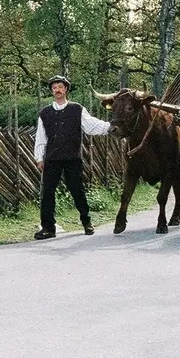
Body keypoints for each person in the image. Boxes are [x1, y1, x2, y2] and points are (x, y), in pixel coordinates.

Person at [32, 75, 111, 240]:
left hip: (72, 158)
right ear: (52, 91)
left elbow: (91, 125)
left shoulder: (77, 109)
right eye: (54, 88)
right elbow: (41, 137)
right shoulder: (45, 113)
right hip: (52, 159)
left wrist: (110, 127)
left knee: (77, 190)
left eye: (60, 87)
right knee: (47, 193)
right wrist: (39, 158)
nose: (58, 90)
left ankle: (86, 223)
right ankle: (48, 228)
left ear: (66, 89)